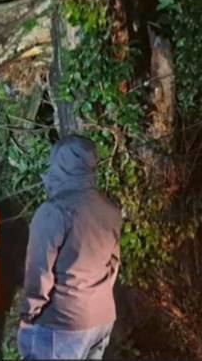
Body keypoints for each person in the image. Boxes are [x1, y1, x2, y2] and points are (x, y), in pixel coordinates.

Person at [18, 136, 122, 360]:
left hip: (63, 323)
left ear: (58, 163)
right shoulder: (110, 208)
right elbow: (113, 263)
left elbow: (39, 269)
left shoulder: (53, 210)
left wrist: (28, 313)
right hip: (101, 318)